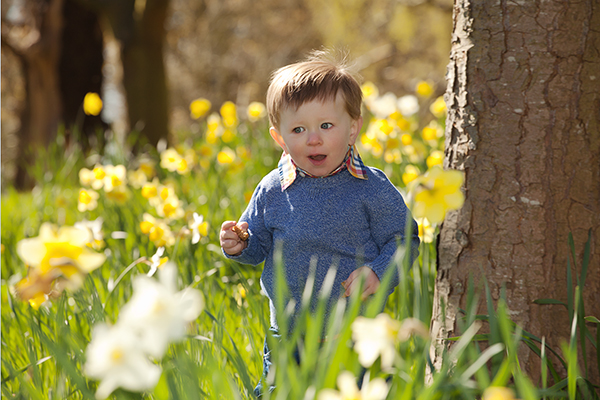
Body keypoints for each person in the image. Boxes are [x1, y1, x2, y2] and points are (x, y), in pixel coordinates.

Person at [219, 49, 420, 396]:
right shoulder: (272, 189)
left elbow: (405, 240)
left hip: (358, 333)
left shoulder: (371, 188)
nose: (314, 138)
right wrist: (241, 244)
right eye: (298, 129)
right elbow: (257, 246)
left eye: (326, 125)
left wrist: (379, 271)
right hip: (288, 331)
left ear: (353, 128)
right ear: (280, 138)